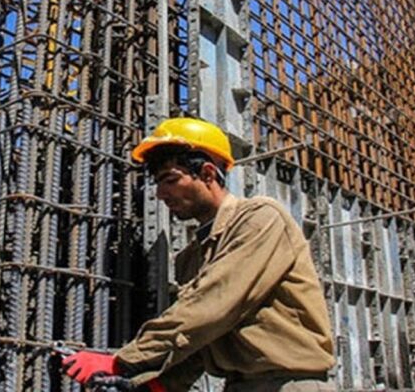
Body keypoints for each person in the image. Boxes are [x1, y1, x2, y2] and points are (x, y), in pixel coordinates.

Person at [62, 118, 335, 391]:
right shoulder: (191, 258)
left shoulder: (261, 218)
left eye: (170, 180)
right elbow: (200, 339)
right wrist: (153, 386)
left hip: (290, 383)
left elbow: (214, 304)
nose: (160, 194)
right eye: (158, 183)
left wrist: (122, 362)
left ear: (207, 174)